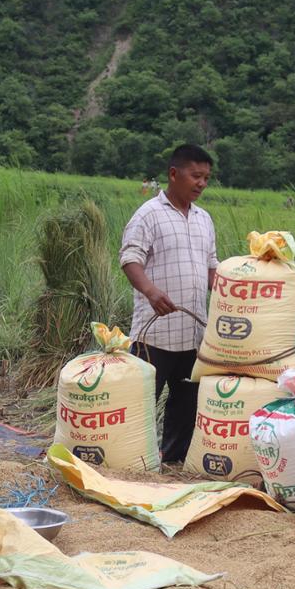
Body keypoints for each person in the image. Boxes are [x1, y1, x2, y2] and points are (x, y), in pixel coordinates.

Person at [121, 144, 219, 468]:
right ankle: (134, 463)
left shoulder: (204, 219)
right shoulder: (148, 215)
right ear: (174, 174)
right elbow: (130, 259)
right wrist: (151, 292)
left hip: (193, 334)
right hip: (155, 335)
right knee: (141, 404)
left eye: (206, 177)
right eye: (196, 176)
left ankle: (172, 463)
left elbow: (211, 269)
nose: (201, 183)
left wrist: (234, 294)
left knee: (185, 405)